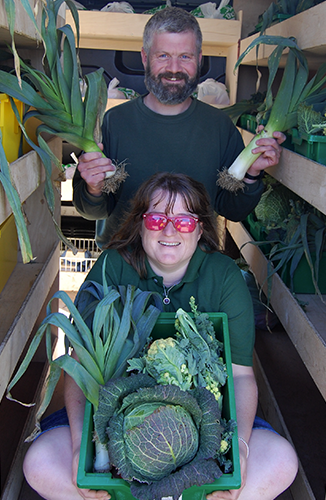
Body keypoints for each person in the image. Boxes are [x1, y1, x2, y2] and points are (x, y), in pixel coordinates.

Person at [23, 173, 298, 500]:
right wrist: (78, 451)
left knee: (281, 462)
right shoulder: (112, 267)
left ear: (200, 229)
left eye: (183, 221)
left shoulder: (223, 276)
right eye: (156, 219)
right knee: (38, 464)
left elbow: (239, 376)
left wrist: (239, 450)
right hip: (110, 428)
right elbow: (82, 367)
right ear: (140, 225)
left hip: (205, 430)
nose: (169, 230)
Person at [73, 6, 285, 249]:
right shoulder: (114, 122)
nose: (174, 69)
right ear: (145, 57)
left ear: (200, 59)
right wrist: (93, 187)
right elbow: (91, 211)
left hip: (196, 269)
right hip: (124, 264)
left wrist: (252, 173)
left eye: (185, 56)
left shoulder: (219, 127)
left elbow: (233, 210)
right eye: (162, 56)